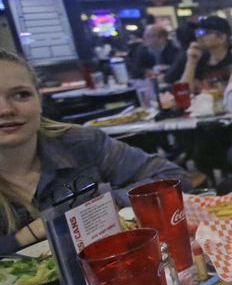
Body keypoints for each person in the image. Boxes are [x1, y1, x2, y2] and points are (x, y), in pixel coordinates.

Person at [0, 48, 189, 255]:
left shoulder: (80, 142)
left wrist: (101, 207)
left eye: (21, 95)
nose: (6, 109)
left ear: (40, 100)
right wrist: (28, 235)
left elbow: (174, 178)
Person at [164, 15, 232, 91]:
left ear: (222, 38)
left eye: (205, 32)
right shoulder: (200, 58)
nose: (199, 36)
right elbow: (184, 92)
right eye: (198, 32)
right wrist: (191, 62)